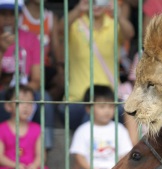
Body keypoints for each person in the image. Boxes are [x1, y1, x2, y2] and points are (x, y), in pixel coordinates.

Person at [57, 0, 135, 132]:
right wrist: (78, 9)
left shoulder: (114, 25)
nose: (96, 4)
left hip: (109, 101)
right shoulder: (75, 25)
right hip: (76, 101)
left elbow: (130, 34)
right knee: (93, 113)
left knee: (115, 114)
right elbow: (59, 29)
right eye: (91, 1)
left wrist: (119, 16)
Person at [0, 0, 55, 150]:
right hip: (2, 93)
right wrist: (3, 51)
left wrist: (22, 93)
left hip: (25, 89)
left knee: (44, 98)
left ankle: (44, 152)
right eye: (3, 14)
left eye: (12, 14)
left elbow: (37, 79)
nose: (7, 19)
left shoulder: (30, 38)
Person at [19, 0, 64, 101]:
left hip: (44, 67)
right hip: (22, 67)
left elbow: (56, 49)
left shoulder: (51, 17)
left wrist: (61, 71)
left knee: (62, 81)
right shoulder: (20, 14)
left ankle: (42, 106)